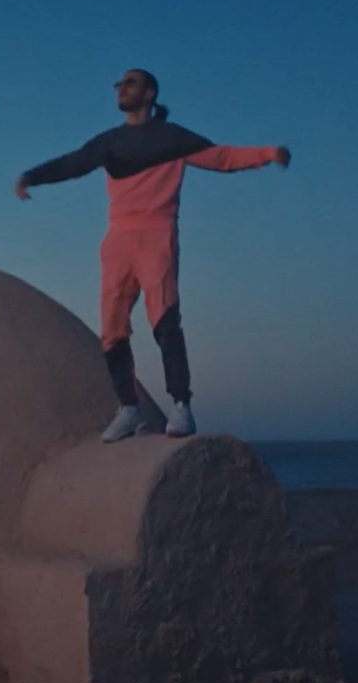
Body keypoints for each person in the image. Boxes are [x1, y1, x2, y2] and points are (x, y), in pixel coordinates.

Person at [15, 68, 291, 443]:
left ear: (149, 93)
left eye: (130, 83)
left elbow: (223, 157)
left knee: (164, 321)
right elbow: (73, 163)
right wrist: (32, 176)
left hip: (158, 235)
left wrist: (268, 154)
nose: (120, 88)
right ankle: (129, 409)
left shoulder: (173, 138)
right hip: (117, 240)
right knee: (112, 330)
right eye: (119, 84)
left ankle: (181, 407)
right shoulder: (109, 141)